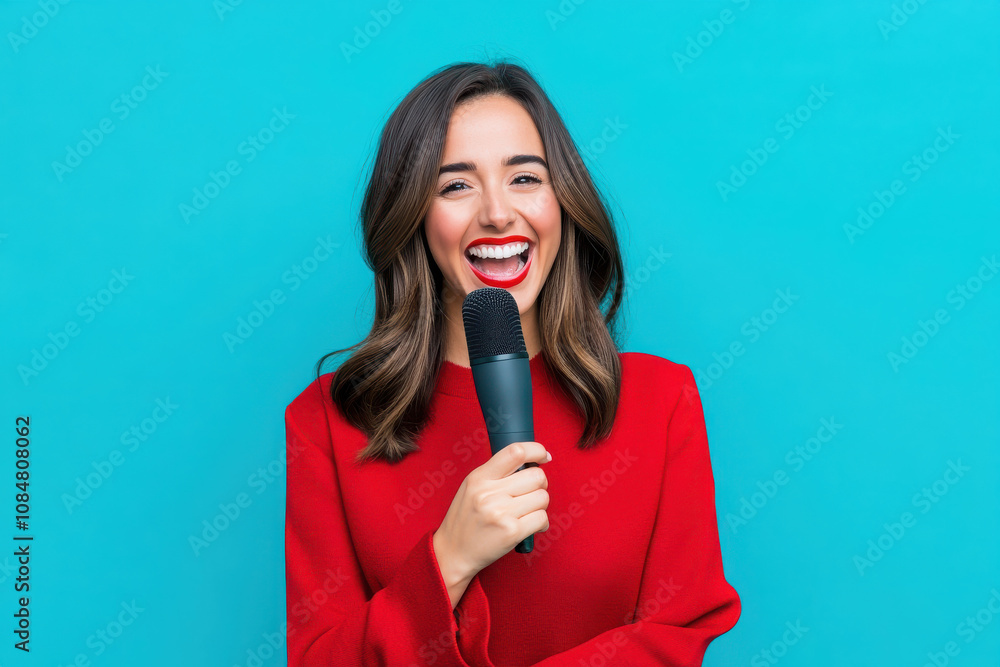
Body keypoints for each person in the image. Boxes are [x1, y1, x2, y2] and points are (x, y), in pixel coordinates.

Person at [284, 59, 741, 666]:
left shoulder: (660, 399)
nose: (497, 214)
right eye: (455, 185)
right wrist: (447, 560)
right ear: (414, 218)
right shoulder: (325, 421)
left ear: (563, 200)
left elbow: (680, 625)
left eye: (525, 178)